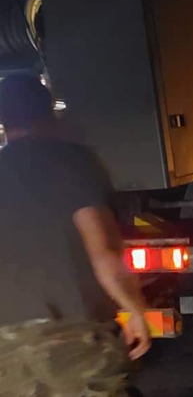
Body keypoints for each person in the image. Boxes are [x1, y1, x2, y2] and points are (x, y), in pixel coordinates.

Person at [0, 74, 151, 396]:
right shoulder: (71, 162)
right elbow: (104, 254)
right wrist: (136, 309)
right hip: (74, 340)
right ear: (49, 113)